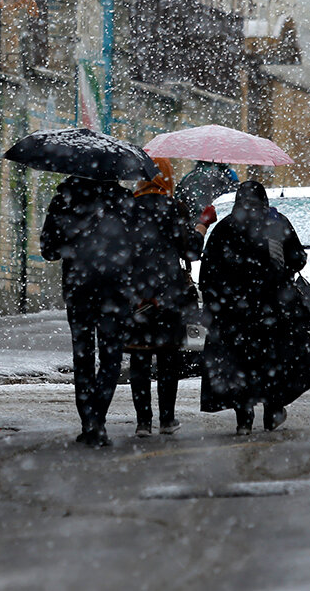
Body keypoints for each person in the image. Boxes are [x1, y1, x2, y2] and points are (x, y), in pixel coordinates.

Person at [199, 179, 310, 434]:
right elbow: (298, 259)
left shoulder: (225, 228)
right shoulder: (277, 223)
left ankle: (243, 420)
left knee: (240, 367)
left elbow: (208, 275)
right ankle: (273, 410)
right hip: (272, 312)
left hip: (233, 316)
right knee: (274, 363)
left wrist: (218, 305)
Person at [40, 175, 136, 447]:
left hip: (78, 289)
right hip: (115, 290)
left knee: (82, 356)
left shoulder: (65, 199)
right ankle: (98, 419)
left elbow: (49, 250)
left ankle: (88, 422)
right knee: (111, 357)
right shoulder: (124, 201)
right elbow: (136, 247)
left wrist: (73, 241)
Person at [126, 159, 203, 438]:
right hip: (169, 295)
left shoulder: (128, 209)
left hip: (137, 296)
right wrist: (202, 225)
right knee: (168, 357)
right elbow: (192, 251)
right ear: (166, 178)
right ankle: (167, 419)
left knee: (139, 357)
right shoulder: (174, 209)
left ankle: (142, 422)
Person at [176, 160, 238, 224]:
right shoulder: (229, 177)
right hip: (219, 226)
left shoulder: (189, 178)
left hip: (194, 226)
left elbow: (179, 204)